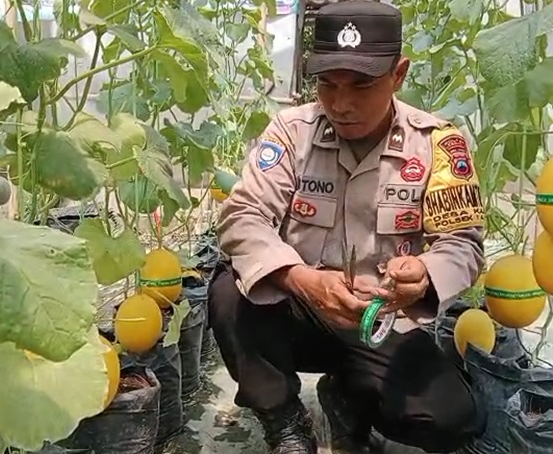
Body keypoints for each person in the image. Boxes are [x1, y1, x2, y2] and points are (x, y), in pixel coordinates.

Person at [207, 1, 486, 453]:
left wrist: (425, 275)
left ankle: (346, 397)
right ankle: (284, 422)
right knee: (228, 290)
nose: (340, 104)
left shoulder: (437, 145)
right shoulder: (291, 132)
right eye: (327, 84)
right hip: (295, 307)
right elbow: (243, 215)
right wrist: (300, 278)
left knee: (451, 418)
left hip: (380, 320)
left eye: (362, 85)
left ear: (398, 74)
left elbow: (462, 243)